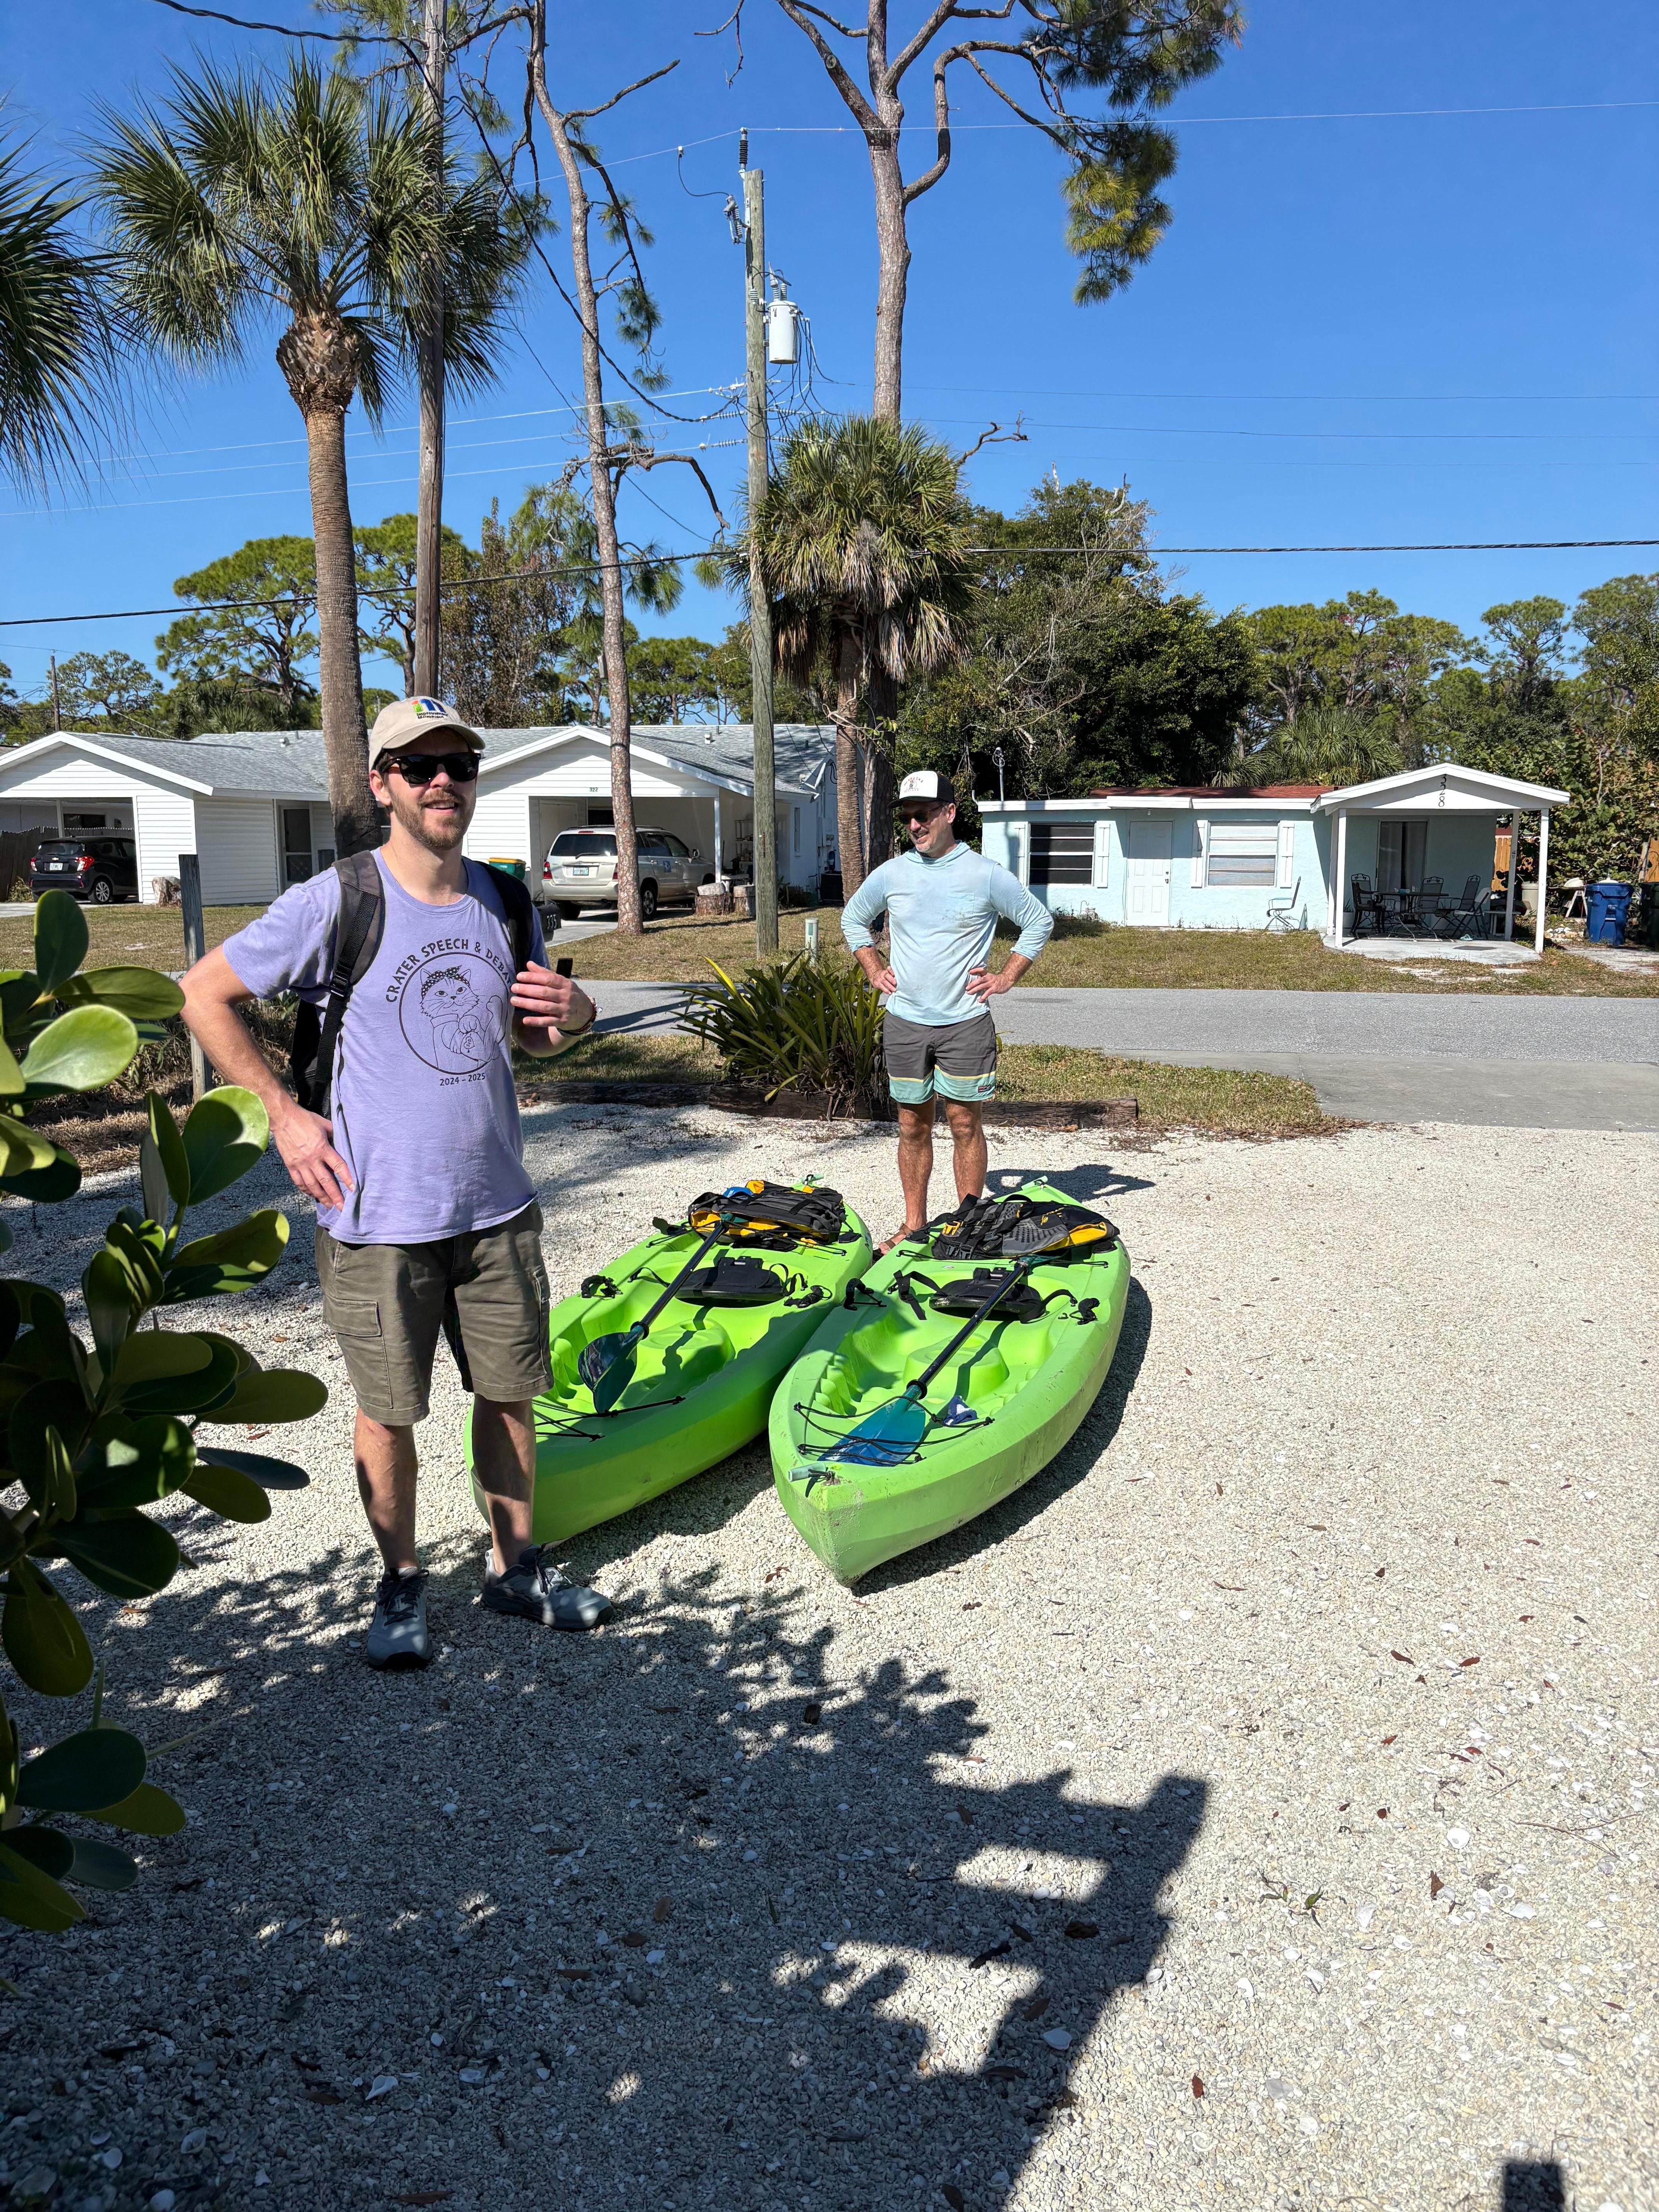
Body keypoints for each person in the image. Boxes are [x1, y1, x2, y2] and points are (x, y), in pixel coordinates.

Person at [180, 696, 611, 1669]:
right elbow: (203, 994)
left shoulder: (506, 899)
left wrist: (576, 1014)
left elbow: (527, 1035)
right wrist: (283, 1117)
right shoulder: (339, 899)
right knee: (390, 1410)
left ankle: (515, 1572)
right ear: (383, 785)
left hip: (497, 1204)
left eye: (458, 762)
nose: (443, 781)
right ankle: (403, 1581)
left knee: (508, 1399)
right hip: (377, 1215)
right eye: (418, 767)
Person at [841, 769, 1053, 1248]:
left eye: (924, 815)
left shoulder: (983, 874)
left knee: (964, 1122)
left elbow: (1038, 921)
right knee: (912, 1124)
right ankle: (914, 1224)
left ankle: (968, 1226)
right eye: (909, 817)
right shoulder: (893, 873)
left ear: (950, 813)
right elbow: (854, 918)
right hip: (906, 1022)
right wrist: (874, 970)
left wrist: (1006, 977)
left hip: (965, 1023)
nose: (915, 825)